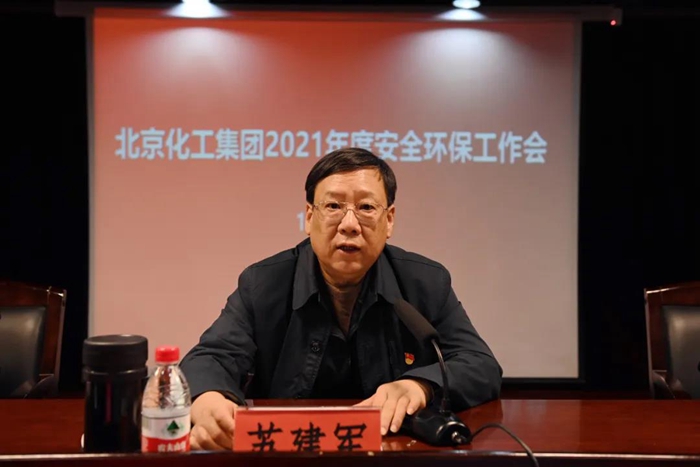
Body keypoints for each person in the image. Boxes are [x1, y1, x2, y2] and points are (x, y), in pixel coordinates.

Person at [180, 147, 502, 451]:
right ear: (309, 217)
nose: (349, 225)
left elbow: (480, 365)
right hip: (290, 454)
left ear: (389, 220)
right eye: (333, 207)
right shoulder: (263, 284)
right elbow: (210, 358)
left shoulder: (424, 282)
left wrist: (419, 386)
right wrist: (208, 398)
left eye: (366, 208)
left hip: (392, 455)